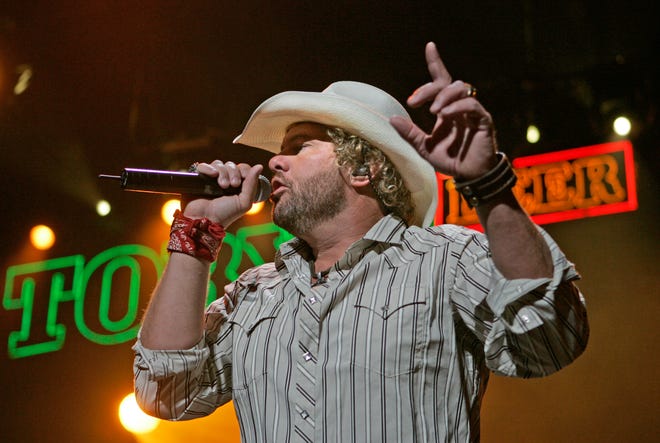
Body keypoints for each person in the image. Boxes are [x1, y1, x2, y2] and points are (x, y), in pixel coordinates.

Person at [132, 42, 589, 442]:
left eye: (300, 147)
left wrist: (487, 183)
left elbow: (551, 339)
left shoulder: (445, 259)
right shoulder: (255, 293)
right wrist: (196, 230)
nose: (275, 164)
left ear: (362, 169)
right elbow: (166, 393)